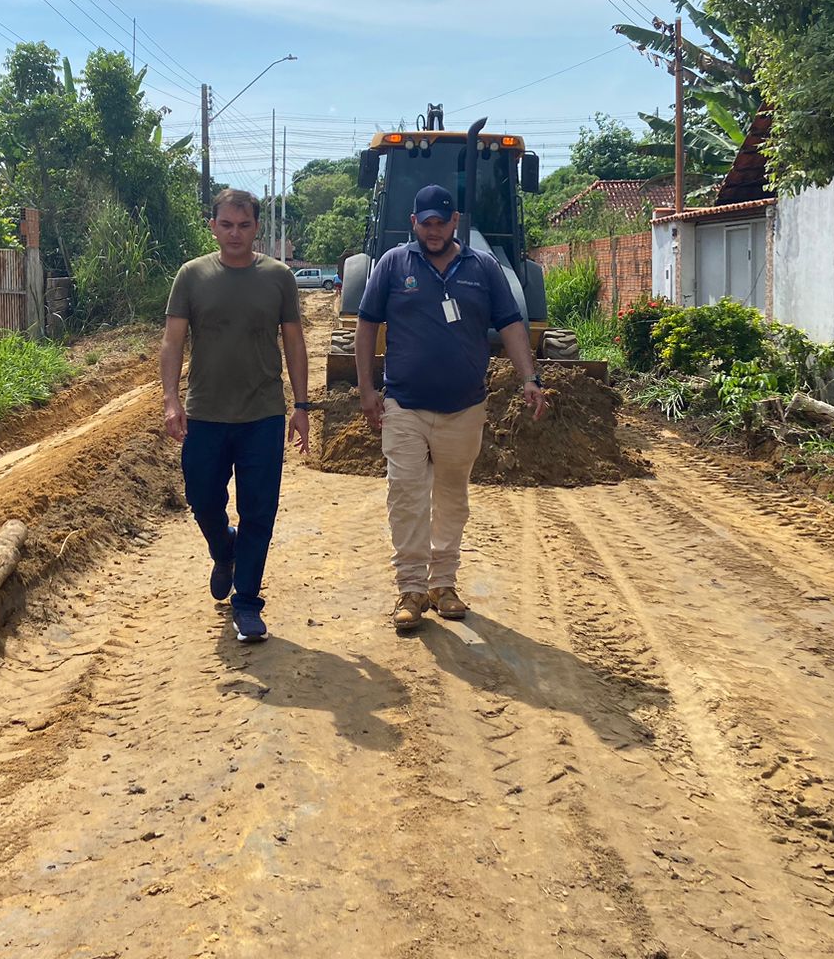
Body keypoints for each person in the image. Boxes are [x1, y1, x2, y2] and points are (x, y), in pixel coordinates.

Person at [355, 184, 547, 631]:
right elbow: (366, 326)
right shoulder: (392, 264)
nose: (434, 230)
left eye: (442, 222)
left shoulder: (483, 267)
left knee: (451, 498)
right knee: (406, 494)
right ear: (414, 223)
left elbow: (512, 325)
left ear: (455, 221)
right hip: (403, 405)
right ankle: (410, 589)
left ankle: (443, 584)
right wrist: (367, 388)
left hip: (465, 408)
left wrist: (529, 378)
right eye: (427, 223)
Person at [162, 189, 310, 643]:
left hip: (262, 414)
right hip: (206, 413)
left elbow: (295, 343)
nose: (235, 234)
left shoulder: (279, 277)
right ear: (213, 226)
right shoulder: (192, 276)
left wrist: (301, 406)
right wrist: (171, 399)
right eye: (226, 224)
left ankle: (247, 602)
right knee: (202, 498)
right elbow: (172, 342)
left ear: (256, 229)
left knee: (259, 511)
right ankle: (223, 549)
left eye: (244, 226)